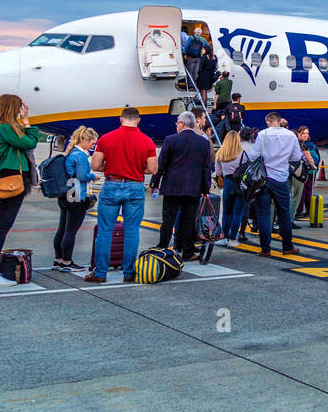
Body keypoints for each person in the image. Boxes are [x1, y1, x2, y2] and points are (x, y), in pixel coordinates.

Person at [0, 94, 42, 288]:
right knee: (1, 227)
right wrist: (27, 121)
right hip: (11, 180)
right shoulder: (5, 127)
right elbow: (28, 142)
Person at [87, 107, 158, 283]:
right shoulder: (147, 141)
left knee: (105, 230)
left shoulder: (106, 138)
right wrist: (135, 169)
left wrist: (111, 166)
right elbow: (152, 169)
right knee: (132, 230)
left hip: (112, 184)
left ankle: (100, 273)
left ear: (121, 119)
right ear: (138, 120)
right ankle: (128, 273)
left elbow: (95, 165)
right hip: (135, 186)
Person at [151, 111, 214, 260]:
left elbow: (161, 165)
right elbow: (206, 168)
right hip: (193, 188)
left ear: (182, 124)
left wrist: (155, 183)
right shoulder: (203, 142)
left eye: (177, 123)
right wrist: (206, 189)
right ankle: (187, 252)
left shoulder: (170, 140)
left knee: (168, 219)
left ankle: (163, 248)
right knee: (188, 220)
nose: (176, 125)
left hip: (172, 187)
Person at [250, 111, 299, 257]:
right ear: (279, 120)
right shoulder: (291, 135)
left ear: (269, 121)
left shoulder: (263, 134)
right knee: (284, 213)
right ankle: (287, 247)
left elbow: (254, 156)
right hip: (281, 178)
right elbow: (296, 156)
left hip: (264, 179)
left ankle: (265, 249)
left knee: (264, 214)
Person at [53, 126, 97, 271]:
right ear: (85, 140)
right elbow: (83, 176)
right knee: (71, 230)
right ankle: (67, 261)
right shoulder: (81, 156)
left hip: (66, 193)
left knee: (62, 228)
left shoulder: (70, 152)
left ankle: (58, 259)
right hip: (77, 193)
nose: (93, 146)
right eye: (92, 143)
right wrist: (94, 176)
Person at [215, 129, 253, 246]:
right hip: (240, 184)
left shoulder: (220, 153)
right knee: (238, 212)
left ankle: (224, 236)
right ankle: (232, 239)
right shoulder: (243, 153)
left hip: (228, 182)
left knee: (226, 211)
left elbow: (218, 172)